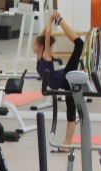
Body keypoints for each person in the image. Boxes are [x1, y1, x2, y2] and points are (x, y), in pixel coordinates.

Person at [34, 10, 85, 147]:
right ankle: (67, 143)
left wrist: (52, 20)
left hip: (66, 77)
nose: (33, 46)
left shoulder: (46, 54)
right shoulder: (39, 56)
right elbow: (42, 35)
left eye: (34, 44)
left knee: (79, 44)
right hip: (64, 82)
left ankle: (61, 21)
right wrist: (49, 22)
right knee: (70, 111)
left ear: (40, 46)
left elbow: (47, 34)